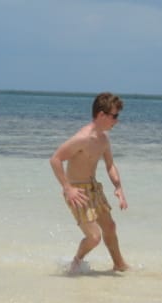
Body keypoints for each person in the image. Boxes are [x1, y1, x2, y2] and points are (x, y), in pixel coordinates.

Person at [50, 92, 129, 274]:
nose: (116, 121)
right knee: (94, 237)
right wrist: (67, 188)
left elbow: (110, 165)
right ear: (101, 115)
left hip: (94, 188)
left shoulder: (104, 139)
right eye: (114, 116)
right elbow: (55, 159)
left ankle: (119, 264)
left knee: (110, 227)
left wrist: (118, 187)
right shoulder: (82, 138)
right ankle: (76, 262)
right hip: (77, 192)